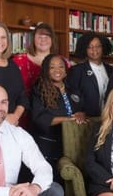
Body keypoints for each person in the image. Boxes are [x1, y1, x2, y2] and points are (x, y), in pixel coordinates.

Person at [31, 54, 88, 182]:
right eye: (52, 67)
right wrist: (68, 120)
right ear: (46, 70)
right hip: (48, 146)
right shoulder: (39, 89)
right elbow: (39, 118)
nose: (57, 70)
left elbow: (81, 109)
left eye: (61, 66)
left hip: (72, 144)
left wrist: (81, 114)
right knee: (52, 181)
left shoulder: (72, 89)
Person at [13, 22, 66, 129]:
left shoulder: (63, 62)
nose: (43, 39)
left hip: (51, 115)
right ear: (33, 39)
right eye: (39, 36)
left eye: (47, 36)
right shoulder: (18, 61)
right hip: (22, 112)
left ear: (53, 40)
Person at [67, 32, 113, 117]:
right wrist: (79, 111)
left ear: (103, 47)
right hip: (87, 119)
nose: (94, 50)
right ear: (84, 49)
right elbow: (73, 95)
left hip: (109, 117)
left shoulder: (112, 70)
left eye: (98, 46)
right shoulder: (77, 70)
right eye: (90, 47)